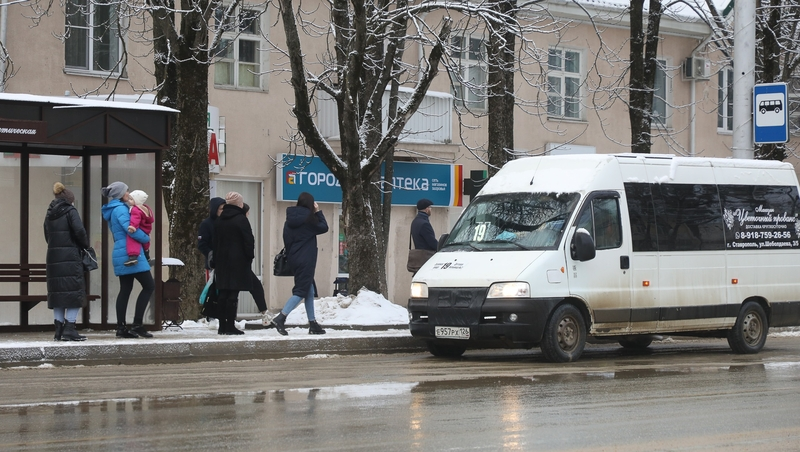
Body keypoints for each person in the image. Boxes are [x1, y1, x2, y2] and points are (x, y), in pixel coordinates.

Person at [101, 181, 154, 339]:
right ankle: (137, 325)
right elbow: (131, 230)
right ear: (120, 194)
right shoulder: (121, 209)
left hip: (121, 251)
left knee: (125, 289)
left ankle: (121, 327)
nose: (129, 193)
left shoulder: (114, 209)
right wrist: (146, 238)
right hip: (130, 251)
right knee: (149, 286)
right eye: (127, 191)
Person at [271, 192, 329, 336]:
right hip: (306, 259)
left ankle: (313, 323)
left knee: (308, 289)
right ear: (311, 204)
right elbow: (324, 227)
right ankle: (281, 317)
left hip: (294, 259)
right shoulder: (309, 219)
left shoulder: (289, 220)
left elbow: (286, 239)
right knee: (301, 291)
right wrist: (318, 212)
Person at [44, 182, 90, 341]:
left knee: (58, 294)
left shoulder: (49, 213)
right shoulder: (71, 211)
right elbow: (80, 232)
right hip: (70, 257)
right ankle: (70, 328)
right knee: (74, 292)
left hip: (53, 257)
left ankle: (58, 330)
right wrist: (84, 246)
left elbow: (47, 235)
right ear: (70, 200)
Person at [212, 192, 254, 335]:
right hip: (238, 261)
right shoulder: (241, 220)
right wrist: (249, 257)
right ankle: (230, 325)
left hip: (221, 261)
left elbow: (215, 242)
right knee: (233, 294)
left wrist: (215, 260)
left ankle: (222, 326)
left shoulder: (219, 220)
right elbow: (248, 240)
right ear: (239, 204)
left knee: (223, 293)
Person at [243, 203, 270, 323]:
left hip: (241, 263)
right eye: (247, 212)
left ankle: (264, 312)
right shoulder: (242, 223)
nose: (249, 214)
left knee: (254, 287)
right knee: (255, 287)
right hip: (240, 263)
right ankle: (264, 313)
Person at [124, 190, 154, 267]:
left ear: (137, 201)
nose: (129, 201)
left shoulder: (135, 209)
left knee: (132, 239)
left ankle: (133, 256)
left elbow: (135, 219)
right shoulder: (145, 208)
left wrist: (132, 227)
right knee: (146, 244)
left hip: (140, 228)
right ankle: (147, 257)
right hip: (147, 229)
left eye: (131, 199)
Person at [198, 196, 226, 277]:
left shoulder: (226, 222)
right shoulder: (206, 224)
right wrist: (212, 255)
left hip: (227, 264)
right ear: (215, 209)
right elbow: (202, 244)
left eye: (225, 209)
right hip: (212, 266)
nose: (223, 211)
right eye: (221, 209)